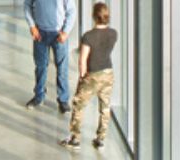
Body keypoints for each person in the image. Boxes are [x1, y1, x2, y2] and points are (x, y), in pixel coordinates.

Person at [63, 3, 117, 149]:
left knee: (78, 105)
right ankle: (100, 139)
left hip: (92, 75)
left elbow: (83, 60)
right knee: (105, 107)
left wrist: (81, 76)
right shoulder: (113, 33)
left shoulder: (88, 36)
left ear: (93, 16)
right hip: (108, 73)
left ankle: (75, 138)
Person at [22, 0, 75, 113]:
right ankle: (39, 96)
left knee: (62, 68)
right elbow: (27, 5)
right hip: (40, 33)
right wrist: (32, 26)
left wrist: (66, 32)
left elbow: (71, 11)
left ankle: (63, 100)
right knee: (40, 67)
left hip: (59, 34)